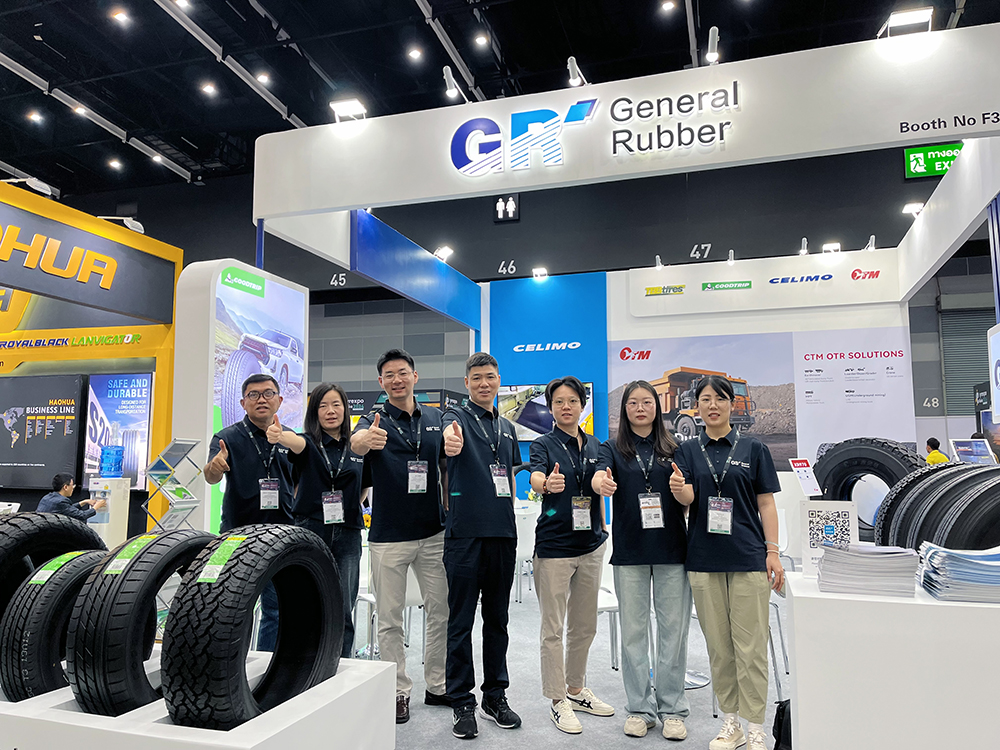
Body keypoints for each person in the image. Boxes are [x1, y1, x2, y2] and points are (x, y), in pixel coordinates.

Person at [670, 375, 784, 750]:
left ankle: (756, 726)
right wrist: (679, 489)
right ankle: (730, 722)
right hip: (704, 559)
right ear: (697, 406)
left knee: (751, 648)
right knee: (720, 648)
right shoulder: (688, 451)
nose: (713, 405)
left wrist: (772, 551)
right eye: (705, 399)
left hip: (748, 557)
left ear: (731, 404)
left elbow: (766, 503)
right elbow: (688, 498)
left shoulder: (753, 448)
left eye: (720, 399)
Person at [351, 349, 451, 724]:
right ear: (381, 382)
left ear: (415, 376)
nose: (397, 379)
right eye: (389, 375)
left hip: (433, 533)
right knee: (390, 618)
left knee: (441, 611)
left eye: (403, 373)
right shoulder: (372, 419)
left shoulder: (435, 418)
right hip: (388, 537)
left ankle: (437, 685)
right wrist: (363, 440)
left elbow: (445, 468)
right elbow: (356, 442)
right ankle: (398, 690)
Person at [593, 380, 691, 740]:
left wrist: (684, 492)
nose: (639, 408)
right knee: (633, 633)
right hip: (631, 552)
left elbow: (689, 494)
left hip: (672, 551)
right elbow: (599, 476)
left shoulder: (676, 448)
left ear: (656, 406)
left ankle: (673, 709)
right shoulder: (612, 448)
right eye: (632, 403)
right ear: (625, 409)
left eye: (646, 402)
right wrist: (601, 484)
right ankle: (639, 708)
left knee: (673, 632)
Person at [442, 352, 522, 740]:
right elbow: (448, 436)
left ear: (498, 380)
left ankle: (495, 696)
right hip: (464, 536)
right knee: (460, 622)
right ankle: (461, 701)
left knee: (497, 620)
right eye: (476, 378)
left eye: (490, 377)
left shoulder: (507, 427)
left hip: (502, 535)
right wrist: (449, 441)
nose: (484, 383)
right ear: (467, 383)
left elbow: (510, 474)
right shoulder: (455, 418)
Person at [529, 376, 613, 735]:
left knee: (584, 625)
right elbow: (535, 476)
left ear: (582, 405)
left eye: (573, 401)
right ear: (551, 408)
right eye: (559, 402)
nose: (566, 407)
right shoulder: (543, 444)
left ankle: (576, 690)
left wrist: (602, 489)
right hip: (554, 548)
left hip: (590, 546)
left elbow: (597, 480)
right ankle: (557, 698)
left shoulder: (596, 444)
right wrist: (546, 484)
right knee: (553, 628)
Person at [269, 382, 367, 661]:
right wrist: (280, 436)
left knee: (343, 604)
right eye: (323, 405)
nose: (330, 411)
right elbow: (295, 443)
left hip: (348, 533)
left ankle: (341, 662)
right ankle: (303, 665)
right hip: (311, 528)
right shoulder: (308, 443)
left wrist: (348, 506)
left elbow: (363, 487)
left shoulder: (357, 446)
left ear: (345, 409)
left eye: (336, 404)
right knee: (307, 600)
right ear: (314, 412)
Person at [204, 373, 295, 651]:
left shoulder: (290, 439)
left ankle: (266, 665)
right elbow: (210, 476)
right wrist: (215, 467)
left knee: (276, 609)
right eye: (253, 395)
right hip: (237, 534)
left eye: (268, 393)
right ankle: (231, 665)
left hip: (281, 534)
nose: (261, 400)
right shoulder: (227, 438)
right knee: (232, 608)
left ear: (279, 400)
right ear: (243, 403)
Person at [37, 473, 106, 520]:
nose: (73, 488)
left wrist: (84, 502)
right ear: (65, 487)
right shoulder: (61, 502)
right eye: (72, 485)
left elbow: (67, 509)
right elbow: (82, 515)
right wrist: (96, 507)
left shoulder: (47, 497)